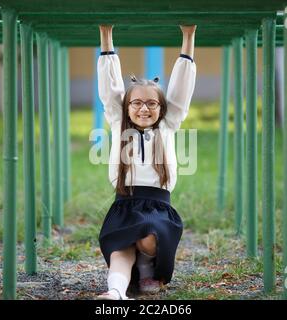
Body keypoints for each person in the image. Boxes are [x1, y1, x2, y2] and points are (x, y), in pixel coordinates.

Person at [96, 24, 196, 300]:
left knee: (147, 239)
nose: (143, 108)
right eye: (136, 103)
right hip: (124, 204)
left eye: (152, 104)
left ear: (162, 109)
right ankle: (116, 292)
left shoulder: (168, 126)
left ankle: (147, 265)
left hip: (159, 209)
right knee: (120, 250)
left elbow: (181, 91)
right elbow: (110, 87)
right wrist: (106, 35)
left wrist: (188, 38)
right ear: (126, 108)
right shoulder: (118, 123)